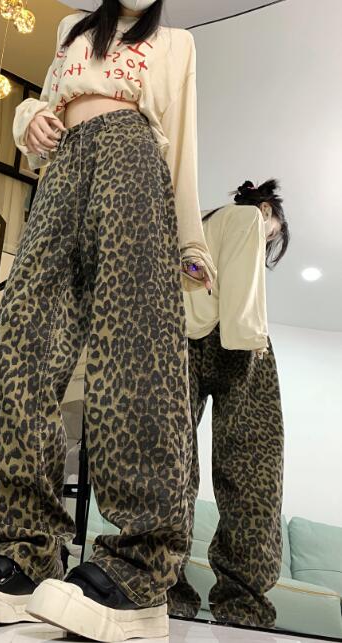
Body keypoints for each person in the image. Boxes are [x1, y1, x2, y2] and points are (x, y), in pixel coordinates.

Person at [0, 0, 216, 640]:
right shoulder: (73, 30)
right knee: (20, 342)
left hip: (134, 162)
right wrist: (28, 120)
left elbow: (183, 144)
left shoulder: (177, 43)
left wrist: (190, 241)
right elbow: (45, 105)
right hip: (62, 171)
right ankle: (27, 551)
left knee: (135, 350)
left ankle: (140, 569)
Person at [168, 179, 290, 629]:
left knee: (170, 462)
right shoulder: (248, 217)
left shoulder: (197, 224)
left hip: (183, 338)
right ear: (267, 210)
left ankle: (161, 582)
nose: (267, 239)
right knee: (253, 472)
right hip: (238, 339)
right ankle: (243, 605)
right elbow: (240, 295)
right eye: (274, 234)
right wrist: (252, 339)